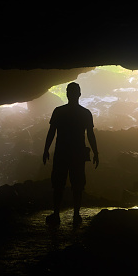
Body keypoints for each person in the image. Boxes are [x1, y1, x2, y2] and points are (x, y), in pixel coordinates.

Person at [43, 82, 99, 225]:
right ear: (79, 94)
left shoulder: (59, 111)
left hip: (62, 151)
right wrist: (96, 153)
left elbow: (52, 132)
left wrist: (46, 150)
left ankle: (56, 214)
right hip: (78, 152)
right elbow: (90, 135)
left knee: (58, 184)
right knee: (78, 184)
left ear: (67, 94)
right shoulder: (85, 113)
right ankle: (76, 215)